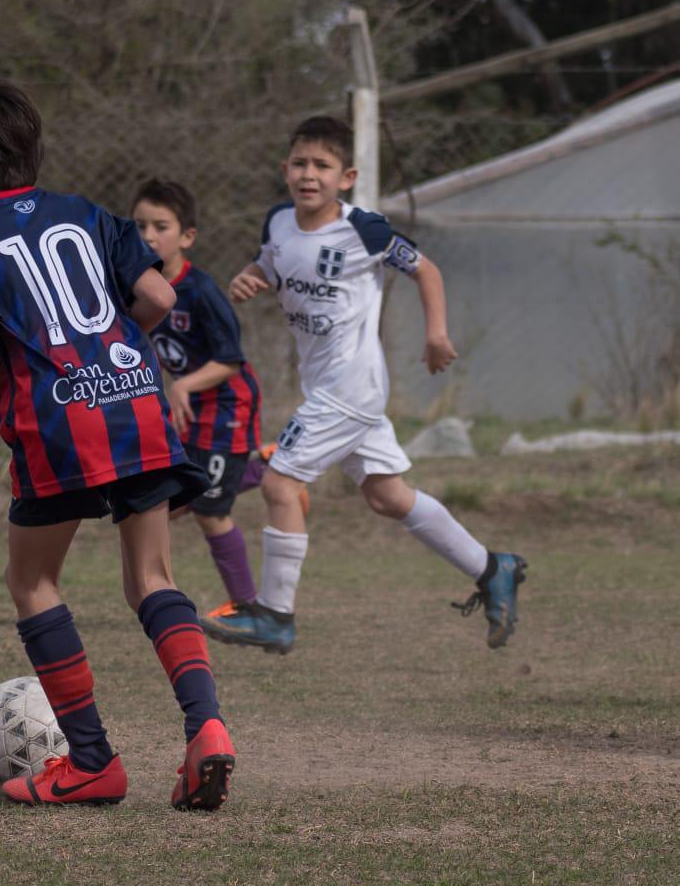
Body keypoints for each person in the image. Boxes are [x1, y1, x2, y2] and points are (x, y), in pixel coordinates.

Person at [0, 77, 235, 810]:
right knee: (151, 579)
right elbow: (161, 300)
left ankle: (93, 761)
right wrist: (107, 348)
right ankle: (206, 726)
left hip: (60, 423)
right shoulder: (87, 215)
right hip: (135, 400)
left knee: (33, 582)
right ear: (34, 147)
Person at [207, 115, 526, 655]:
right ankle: (493, 567)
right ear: (285, 169)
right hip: (327, 388)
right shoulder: (278, 223)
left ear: (346, 176)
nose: (310, 175)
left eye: (323, 166)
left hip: (350, 388)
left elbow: (426, 270)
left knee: (281, 485)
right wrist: (251, 277)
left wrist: (436, 334)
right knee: (387, 496)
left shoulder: (365, 229)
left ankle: (275, 615)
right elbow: (272, 264)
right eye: (301, 164)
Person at [130, 178, 268, 625]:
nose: (149, 236)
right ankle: (263, 469)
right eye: (140, 225)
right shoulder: (136, 288)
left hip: (228, 403)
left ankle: (249, 608)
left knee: (209, 510)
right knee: (170, 503)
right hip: (191, 406)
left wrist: (183, 387)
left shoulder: (203, 292)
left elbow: (230, 360)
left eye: (161, 226)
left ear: (187, 237)